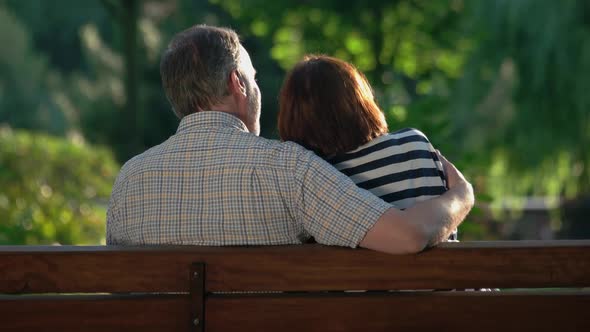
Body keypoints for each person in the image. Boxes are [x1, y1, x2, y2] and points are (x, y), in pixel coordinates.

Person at [106, 24, 473, 254]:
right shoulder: (287, 167)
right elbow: (407, 238)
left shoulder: (129, 179)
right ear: (238, 84)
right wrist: (461, 196)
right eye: (254, 78)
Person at [278, 55, 458, 240]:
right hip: (441, 267)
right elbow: (449, 231)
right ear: (361, 100)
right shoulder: (413, 144)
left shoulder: (316, 177)